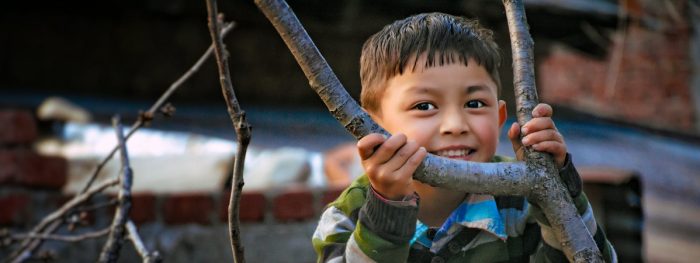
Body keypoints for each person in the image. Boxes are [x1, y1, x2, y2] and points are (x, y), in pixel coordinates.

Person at [312, 12, 616, 262]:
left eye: (474, 104)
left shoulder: (520, 203)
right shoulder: (347, 215)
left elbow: (592, 257)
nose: (456, 125)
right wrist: (387, 212)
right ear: (371, 126)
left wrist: (558, 188)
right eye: (425, 106)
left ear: (498, 119)